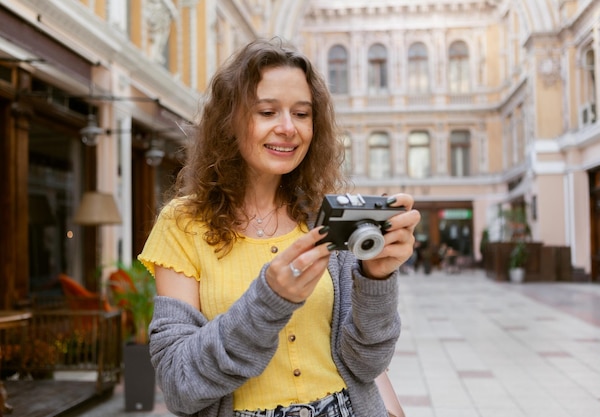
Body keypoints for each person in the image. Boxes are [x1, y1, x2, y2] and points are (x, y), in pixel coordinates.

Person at [138, 37, 421, 417]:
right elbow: (179, 385)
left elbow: (366, 365)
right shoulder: (182, 224)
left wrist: (376, 279)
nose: (288, 128)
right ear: (229, 121)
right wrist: (269, 300)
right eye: (267, 112)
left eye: (302, 114)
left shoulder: (323, 218)